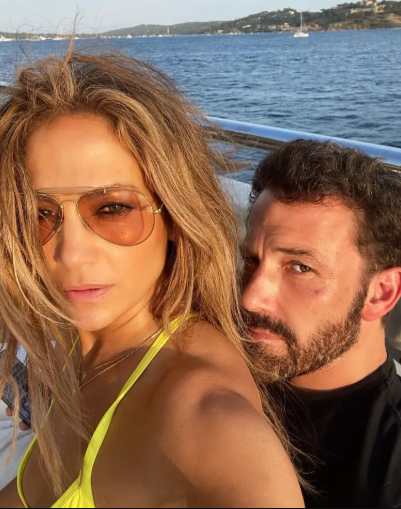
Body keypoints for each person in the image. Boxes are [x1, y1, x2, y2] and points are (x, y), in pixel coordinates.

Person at [0, 50, 303, 508]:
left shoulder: (205, 418)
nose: (69, 253)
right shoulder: (79, 342)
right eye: (38, 215)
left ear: (176, 217)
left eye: (112, 209)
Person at [241, 139, 401, 508]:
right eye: (251, 260)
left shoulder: (387, 474)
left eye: (300, 267)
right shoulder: (219, 365)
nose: (250, 298)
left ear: (380, 294)